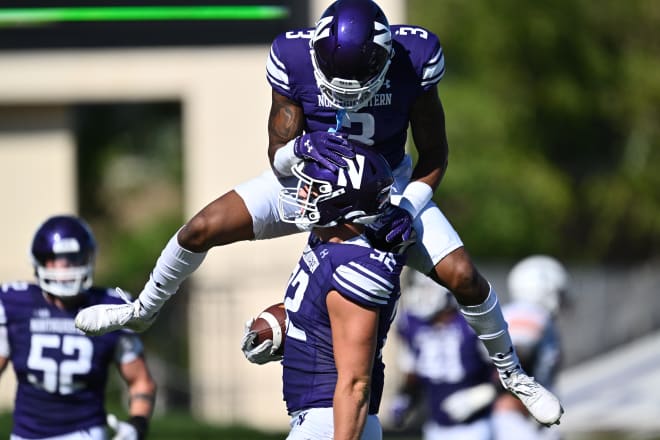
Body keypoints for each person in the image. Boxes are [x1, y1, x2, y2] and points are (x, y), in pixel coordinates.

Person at [74, 0, 562, 427]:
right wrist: (301, 147)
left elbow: (435, 155)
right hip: (308, 183)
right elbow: (277, 152)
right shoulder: (292, 54)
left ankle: (514, 374)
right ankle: (141, 311)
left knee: (463, 277)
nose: (345, 92)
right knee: (201, 227)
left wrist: (407, 207)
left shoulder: (414, 58)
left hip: (384, 192)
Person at [243, 144, 406, 440]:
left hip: (333, 419)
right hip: (319, 416)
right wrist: (292, 329)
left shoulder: (354, 266)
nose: (302, 193)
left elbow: (356, 382)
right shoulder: (328, 243)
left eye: (314, 188)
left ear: (343, 200)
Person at [0, 215, 156, 440]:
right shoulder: (15, 304)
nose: (64, 267)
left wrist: (137, 426)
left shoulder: (110, 308)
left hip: (84, 433)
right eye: (56, 258)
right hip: (26, 434)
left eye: (72, 258)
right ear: (40, 261)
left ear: (87, 259)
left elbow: (141, 381)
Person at [388, 270, 497, 440]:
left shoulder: (472, 322)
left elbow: (506, 369)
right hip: (435, 425)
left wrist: (483, 394)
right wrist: (405, 397)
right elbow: (413, 372)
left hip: (477, 424)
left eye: (428, 289)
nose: (422, 294)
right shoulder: (410, 324)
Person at [492, 255, 569, 440]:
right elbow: (517, 355)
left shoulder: (516, 311)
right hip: (516, 419)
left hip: (522, 419)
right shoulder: (530, 313)